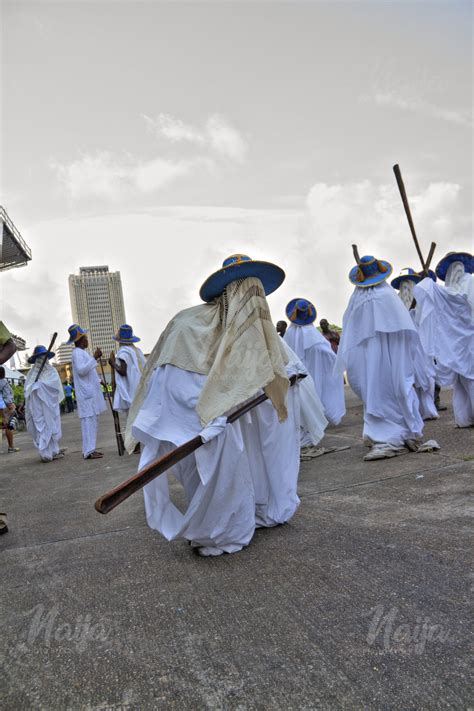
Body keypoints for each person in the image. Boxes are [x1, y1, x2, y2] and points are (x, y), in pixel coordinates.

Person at [125, 254, 314, 557]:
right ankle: (215, 531)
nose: (253, 301)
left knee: (244, 461)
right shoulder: (190, 325)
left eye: (258, 294)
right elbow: (172, 383)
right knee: (212, 468)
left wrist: (287, 377)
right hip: (193, 421)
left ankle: (251, 511)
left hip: (229, 421)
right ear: (227, 294)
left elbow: (275, 370)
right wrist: (206, 415)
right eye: (245, 292)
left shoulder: (253, 324)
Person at [335, 254, 432, 460]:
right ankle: (395, 434)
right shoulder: (387, 297)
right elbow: (407, 334)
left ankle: (389, 438)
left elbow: (352, 336)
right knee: (393, 392)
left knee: (377, 394)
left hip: (374, 361)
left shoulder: (359, 300)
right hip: (390, 360)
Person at [414, 252, 473, 428]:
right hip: (458, 344)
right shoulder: (450, 289)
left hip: (469, 342)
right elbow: (448, 298)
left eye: (459, 267)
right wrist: (429, 284)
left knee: (470, 378)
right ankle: (466, 418)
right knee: (461, 381)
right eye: (453, 267)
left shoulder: (469, 283)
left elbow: (457, 299)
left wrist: (430, 286)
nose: (457, 270)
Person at [284, 299, 346, 426]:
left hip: (297, 374)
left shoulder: (289, 334)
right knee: (317, 391)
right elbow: (329, 354)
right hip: (315, 373)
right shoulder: (313, 334)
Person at [390, 268, 438, 420]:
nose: (406, 287)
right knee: (409, 381)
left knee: (425, 379)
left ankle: (428, 410)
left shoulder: (420, 299)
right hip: (404, 348)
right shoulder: (395, 303)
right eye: (403, 284)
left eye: (408, 283)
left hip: (421, 346)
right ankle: (413, 412)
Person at [68, 324, 106, 459]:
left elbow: (88, 373)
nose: (87, 340)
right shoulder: (77, 353)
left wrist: (100, 381)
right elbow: (81, 370)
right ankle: (88, 451)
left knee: (92, 421)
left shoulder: (82, 353)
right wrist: (94, 358)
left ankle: (90, 449)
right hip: (86, 395)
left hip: (89, 393)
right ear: (80, 340)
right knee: (88, 422)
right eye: (85, 338)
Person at [25, 345, 65, 462]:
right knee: (40, 426)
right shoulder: (31, 374)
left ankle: (54, 451)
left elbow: (54, 387)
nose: (41, 360)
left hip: (49, 405)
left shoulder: (52, 371)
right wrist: (32, 387)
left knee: (51, 426)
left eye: (43, 357)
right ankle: (45, 453)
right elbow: (27, 389)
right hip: (37, 406)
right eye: (39, 357)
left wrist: (39, 386)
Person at [0, 366, 19, 453]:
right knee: (8, 427)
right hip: (4, 408)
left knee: (1, 427)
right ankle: (11, 447)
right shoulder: (4, 383)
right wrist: (10, 405)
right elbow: (6, 396)